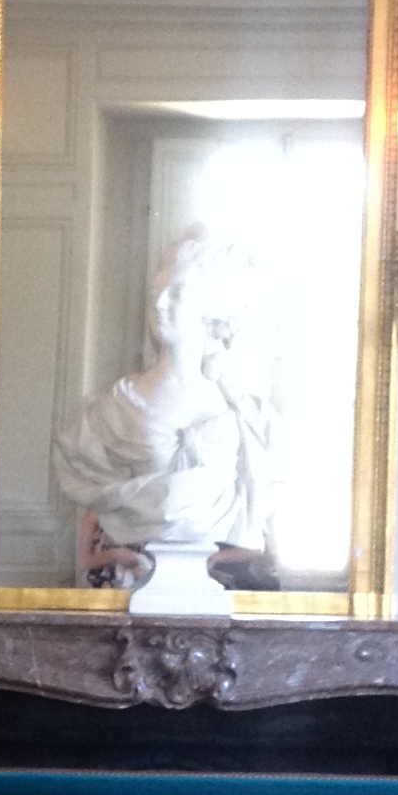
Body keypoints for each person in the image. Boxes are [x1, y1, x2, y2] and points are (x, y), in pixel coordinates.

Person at [52, 228, 273, 586]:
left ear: (213, 309)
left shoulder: (248, 417)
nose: (159, 304)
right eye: (157, 293)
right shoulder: (110, 412)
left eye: (177, 293)